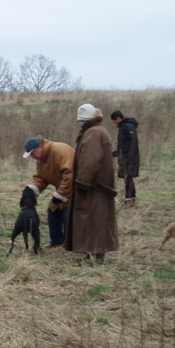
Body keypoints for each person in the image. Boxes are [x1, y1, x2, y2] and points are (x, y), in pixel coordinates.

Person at [65, 104, 118, 262]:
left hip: (93, 187)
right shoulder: (99, 131)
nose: (80, 124)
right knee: (97, 220)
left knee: (91, 219)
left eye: (81, 121)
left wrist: (82, 183)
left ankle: (94, 254)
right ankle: (94, 254)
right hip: (99, 186)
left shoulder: (93, 133)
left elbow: (90, 161)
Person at [23, 136, 74, 247]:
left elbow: (70, 174)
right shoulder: (41, 159)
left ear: (40, 146)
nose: (32, 157)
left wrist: (60, 194)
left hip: (77, 188)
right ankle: (57, 241)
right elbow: (41, 177)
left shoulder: (58, 150)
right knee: (53, 210)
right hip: (64, 189)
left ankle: (71, 244)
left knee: (68, 214)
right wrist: (32, 188)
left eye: (33, 153)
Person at [110, 110, 140, 207]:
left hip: (129, 158)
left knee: (128, 178)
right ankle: (131, 199)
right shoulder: (123, 127)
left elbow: (133, 142)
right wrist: (113, 154)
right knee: (127, 178)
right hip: (125, 157)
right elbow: (122, 145)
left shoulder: (128, 126)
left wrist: (129, 157)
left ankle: (129, 199)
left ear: (118, 118)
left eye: (114, 120)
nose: (114, 123)